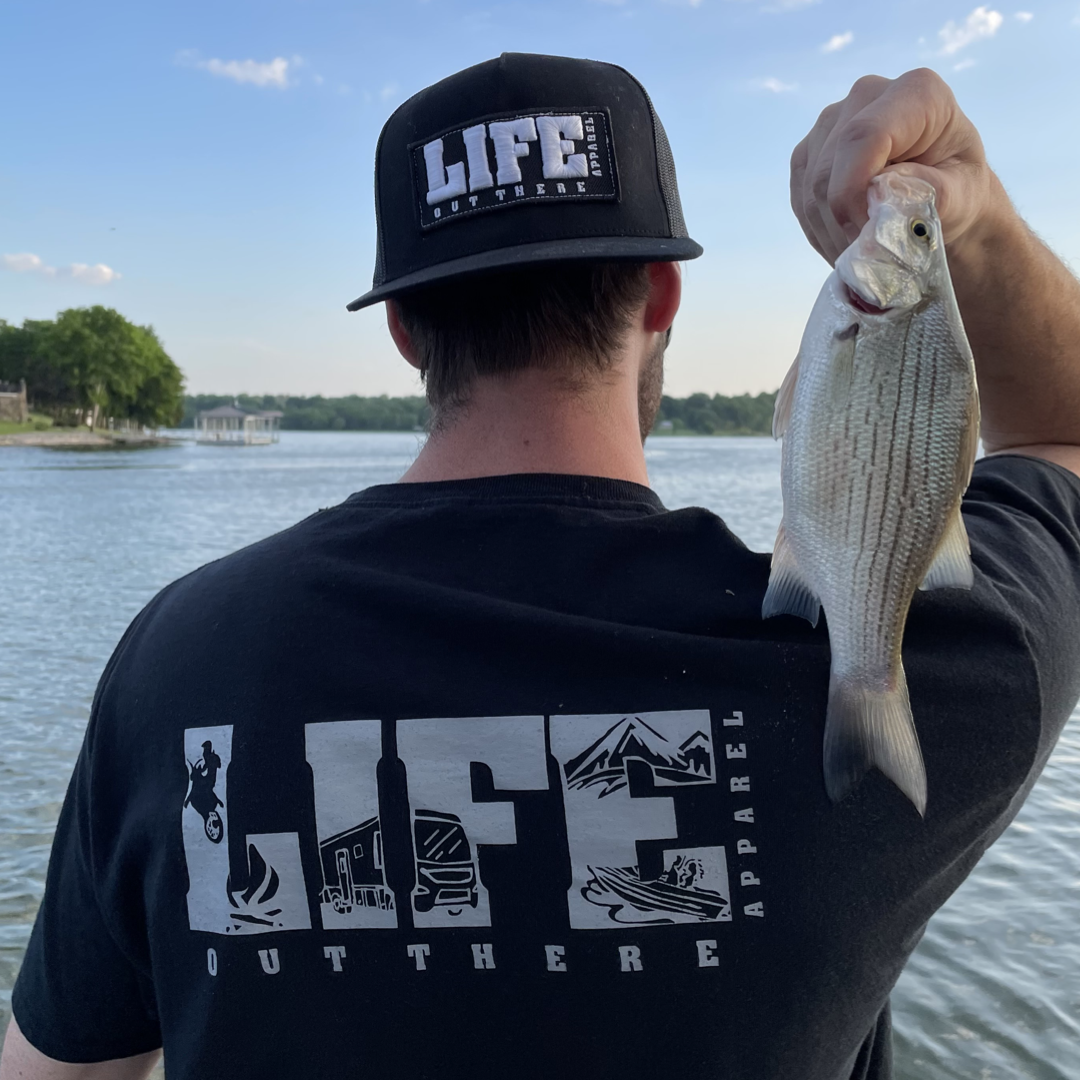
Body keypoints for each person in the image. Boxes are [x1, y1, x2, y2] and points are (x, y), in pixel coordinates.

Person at [2, 52, 1079, 1080]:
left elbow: (62, 1061)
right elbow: (1065, 436)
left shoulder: (180, 661)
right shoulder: (902, 665)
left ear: (407, 331)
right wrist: (963, 224)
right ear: (661, 298)